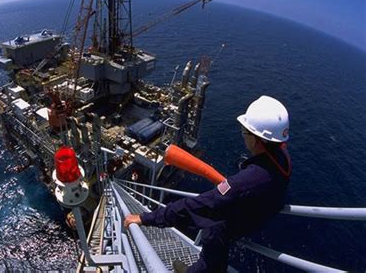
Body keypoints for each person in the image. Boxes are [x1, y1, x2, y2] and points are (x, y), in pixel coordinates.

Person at [124, 95, 292, 272]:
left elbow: (197, 205)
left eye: (244, 131)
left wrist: (145, 218)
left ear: (256, 138)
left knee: (212, 230)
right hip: (261, 213)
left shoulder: (243, 183)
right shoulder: (282, 157)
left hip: (237, 220)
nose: (243, 136)